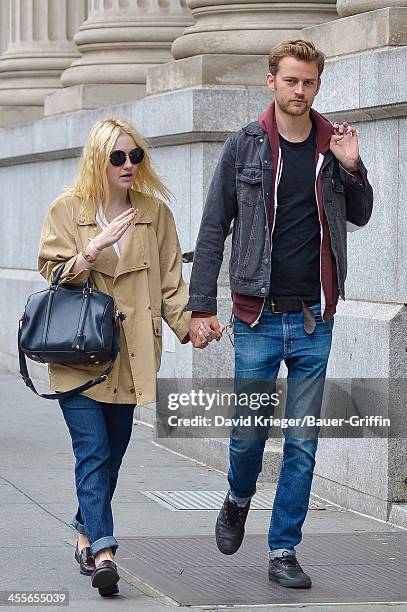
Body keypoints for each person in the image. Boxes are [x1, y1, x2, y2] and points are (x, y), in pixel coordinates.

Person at [185, 39, 373, 588]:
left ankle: (284, 550)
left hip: (315, 318)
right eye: (291, 81)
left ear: (318, 84)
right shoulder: (245, 146)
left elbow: (360, 215)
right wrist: (201, 307)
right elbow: (213, 226)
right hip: (256, 318)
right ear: (272, 81)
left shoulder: (332, 145)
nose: (299, 91)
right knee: (248, 435)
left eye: (308, 82)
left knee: (302, 441)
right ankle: (239, 496)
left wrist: (354, 166)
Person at [38, 117, 191, 596]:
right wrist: (94, 248)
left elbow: (170, 286)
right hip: (77, 359)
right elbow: (52, 274)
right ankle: (104, 552)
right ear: (98, 162)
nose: (129, 165)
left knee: (113, 455)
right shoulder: (67, 210)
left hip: (130, 359)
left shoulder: (155, 214)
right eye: (118, 157)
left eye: (136, 156)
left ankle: (85, 529)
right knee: (93, 451)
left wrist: (193, 326)